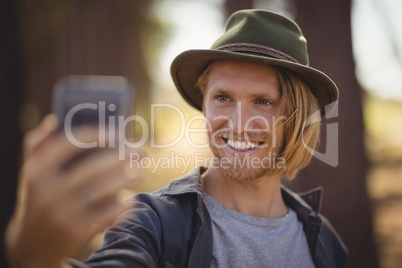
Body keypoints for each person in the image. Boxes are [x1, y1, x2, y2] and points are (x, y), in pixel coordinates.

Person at [6, 9, 348, 268]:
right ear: (204, 104)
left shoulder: (325, 240)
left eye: (263, 102)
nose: (239, 123)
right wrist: (29, 259)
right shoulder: (151, 222)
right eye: (223, 98)